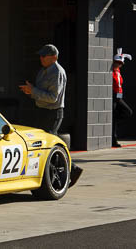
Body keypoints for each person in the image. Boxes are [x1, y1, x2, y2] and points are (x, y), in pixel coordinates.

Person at [19, 44, 82, 187]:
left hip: (53, 113)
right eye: (40, 55)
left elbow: (53, 97)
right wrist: (30, 91)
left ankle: (71, 170)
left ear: (53, 57)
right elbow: (41, 92)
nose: (41, 58)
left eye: (44, 56)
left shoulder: (57, 72)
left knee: (48, 144)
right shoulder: (43, 70)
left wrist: (33, 91)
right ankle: (70, 170)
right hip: (42, 111)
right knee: (46, 144)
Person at [112, 48, 133, 148]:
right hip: (114, 96)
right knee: (113, 120)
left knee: (128, 112)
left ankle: (115, 122)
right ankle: (114, 140)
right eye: (116, 62)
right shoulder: (111, 72)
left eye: (120, 63)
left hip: (119, 97)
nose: (118, 65)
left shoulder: (118, 72)